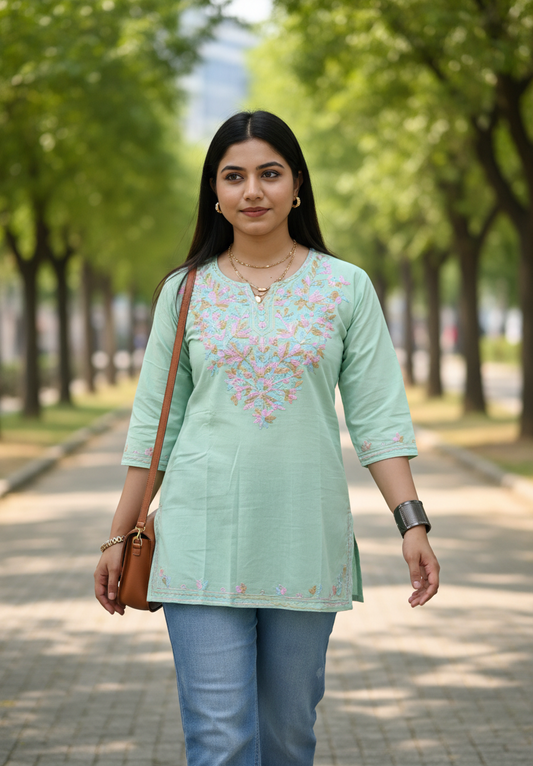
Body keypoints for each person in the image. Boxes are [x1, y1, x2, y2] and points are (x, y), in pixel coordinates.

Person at [94, 110, 440, 766]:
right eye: (234, 177)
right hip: (198, 542)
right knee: (220, 743)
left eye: (269, 174)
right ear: (215, 195)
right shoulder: (184, 290)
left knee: (287, 739)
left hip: (303, 541)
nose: (252, 190)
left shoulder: (346, 288)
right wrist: (119, 535)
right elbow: (155, 429)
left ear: (297, 186)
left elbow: (377, 418)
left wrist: (411, 524)